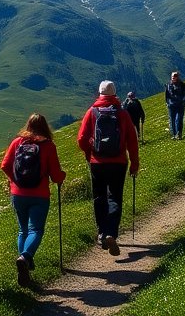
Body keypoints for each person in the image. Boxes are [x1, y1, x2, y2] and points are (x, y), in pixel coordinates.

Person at [0, 113, 67, 288]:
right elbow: (56, 175)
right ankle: (25, 258)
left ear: (28, 125)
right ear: (45, 127)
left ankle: (24, 266)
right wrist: (62, 176)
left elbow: (4, 165)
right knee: (36, 229)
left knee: (23, 230)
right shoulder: (48, 146)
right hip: (39, 195)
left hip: (18, 194)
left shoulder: (17, 142)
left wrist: (14, 181)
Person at [76, 81, 140, 256]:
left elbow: (81, 139)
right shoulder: (122, 113)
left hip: (97, 162)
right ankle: (111, 232)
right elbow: (132, 141)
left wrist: (90, 151)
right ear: (114, 94)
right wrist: (134, 164)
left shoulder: (92, 112)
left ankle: (102, 233)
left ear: (100, 93)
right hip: (118, 162)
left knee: (99, 197)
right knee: (115, 197)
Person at [164, 71, 185, 139]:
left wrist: (184, 102)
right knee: (172, 120)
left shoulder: (182, 85)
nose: (173, 77)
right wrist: (167, 103)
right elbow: (167, 95)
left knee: (178, 119)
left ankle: (179, 134)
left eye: (175, 75)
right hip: (171, 105)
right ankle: (174, 134)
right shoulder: (168, 85)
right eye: (172, 76)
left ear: (178, 77)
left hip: (180, 105)